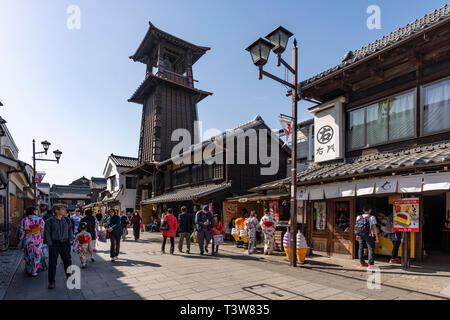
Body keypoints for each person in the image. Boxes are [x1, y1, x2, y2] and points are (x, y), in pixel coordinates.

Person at [44, 204, 73, 289]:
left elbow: (70, 230)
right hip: (54, 244)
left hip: (65, 243)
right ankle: (51, 281)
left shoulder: (67, 220)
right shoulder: (49, 221)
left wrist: (70, 240)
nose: (65, 211)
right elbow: (46, 233)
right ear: (56, 211)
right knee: (52, 263)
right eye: (63, 209)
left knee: (68, 261)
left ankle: (69, 277)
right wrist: (50, 244)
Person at [19, 206, 45, 277]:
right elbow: (42, 230)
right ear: (33, 211)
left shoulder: (24, 220)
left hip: (28, 239)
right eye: (36, 211)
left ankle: (29, 269)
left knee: (28, 255)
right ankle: (34, 271)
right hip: (37, 239)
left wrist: (22, 238)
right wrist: (42, 238)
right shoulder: (40, 220)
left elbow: (22, 231)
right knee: (36, 255)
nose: (37, 212)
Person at [355, 204, 379, 268]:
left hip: (360, 234)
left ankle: (362, 263)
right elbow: (374, 228)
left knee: (360, 248)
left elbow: (357, 227)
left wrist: (357, 235)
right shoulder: (372, 217)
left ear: (363, 210)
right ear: (370, 210)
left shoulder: (358, 217)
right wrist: (376, 237)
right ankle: (370, 264)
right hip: (369, 235)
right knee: (370, 248)